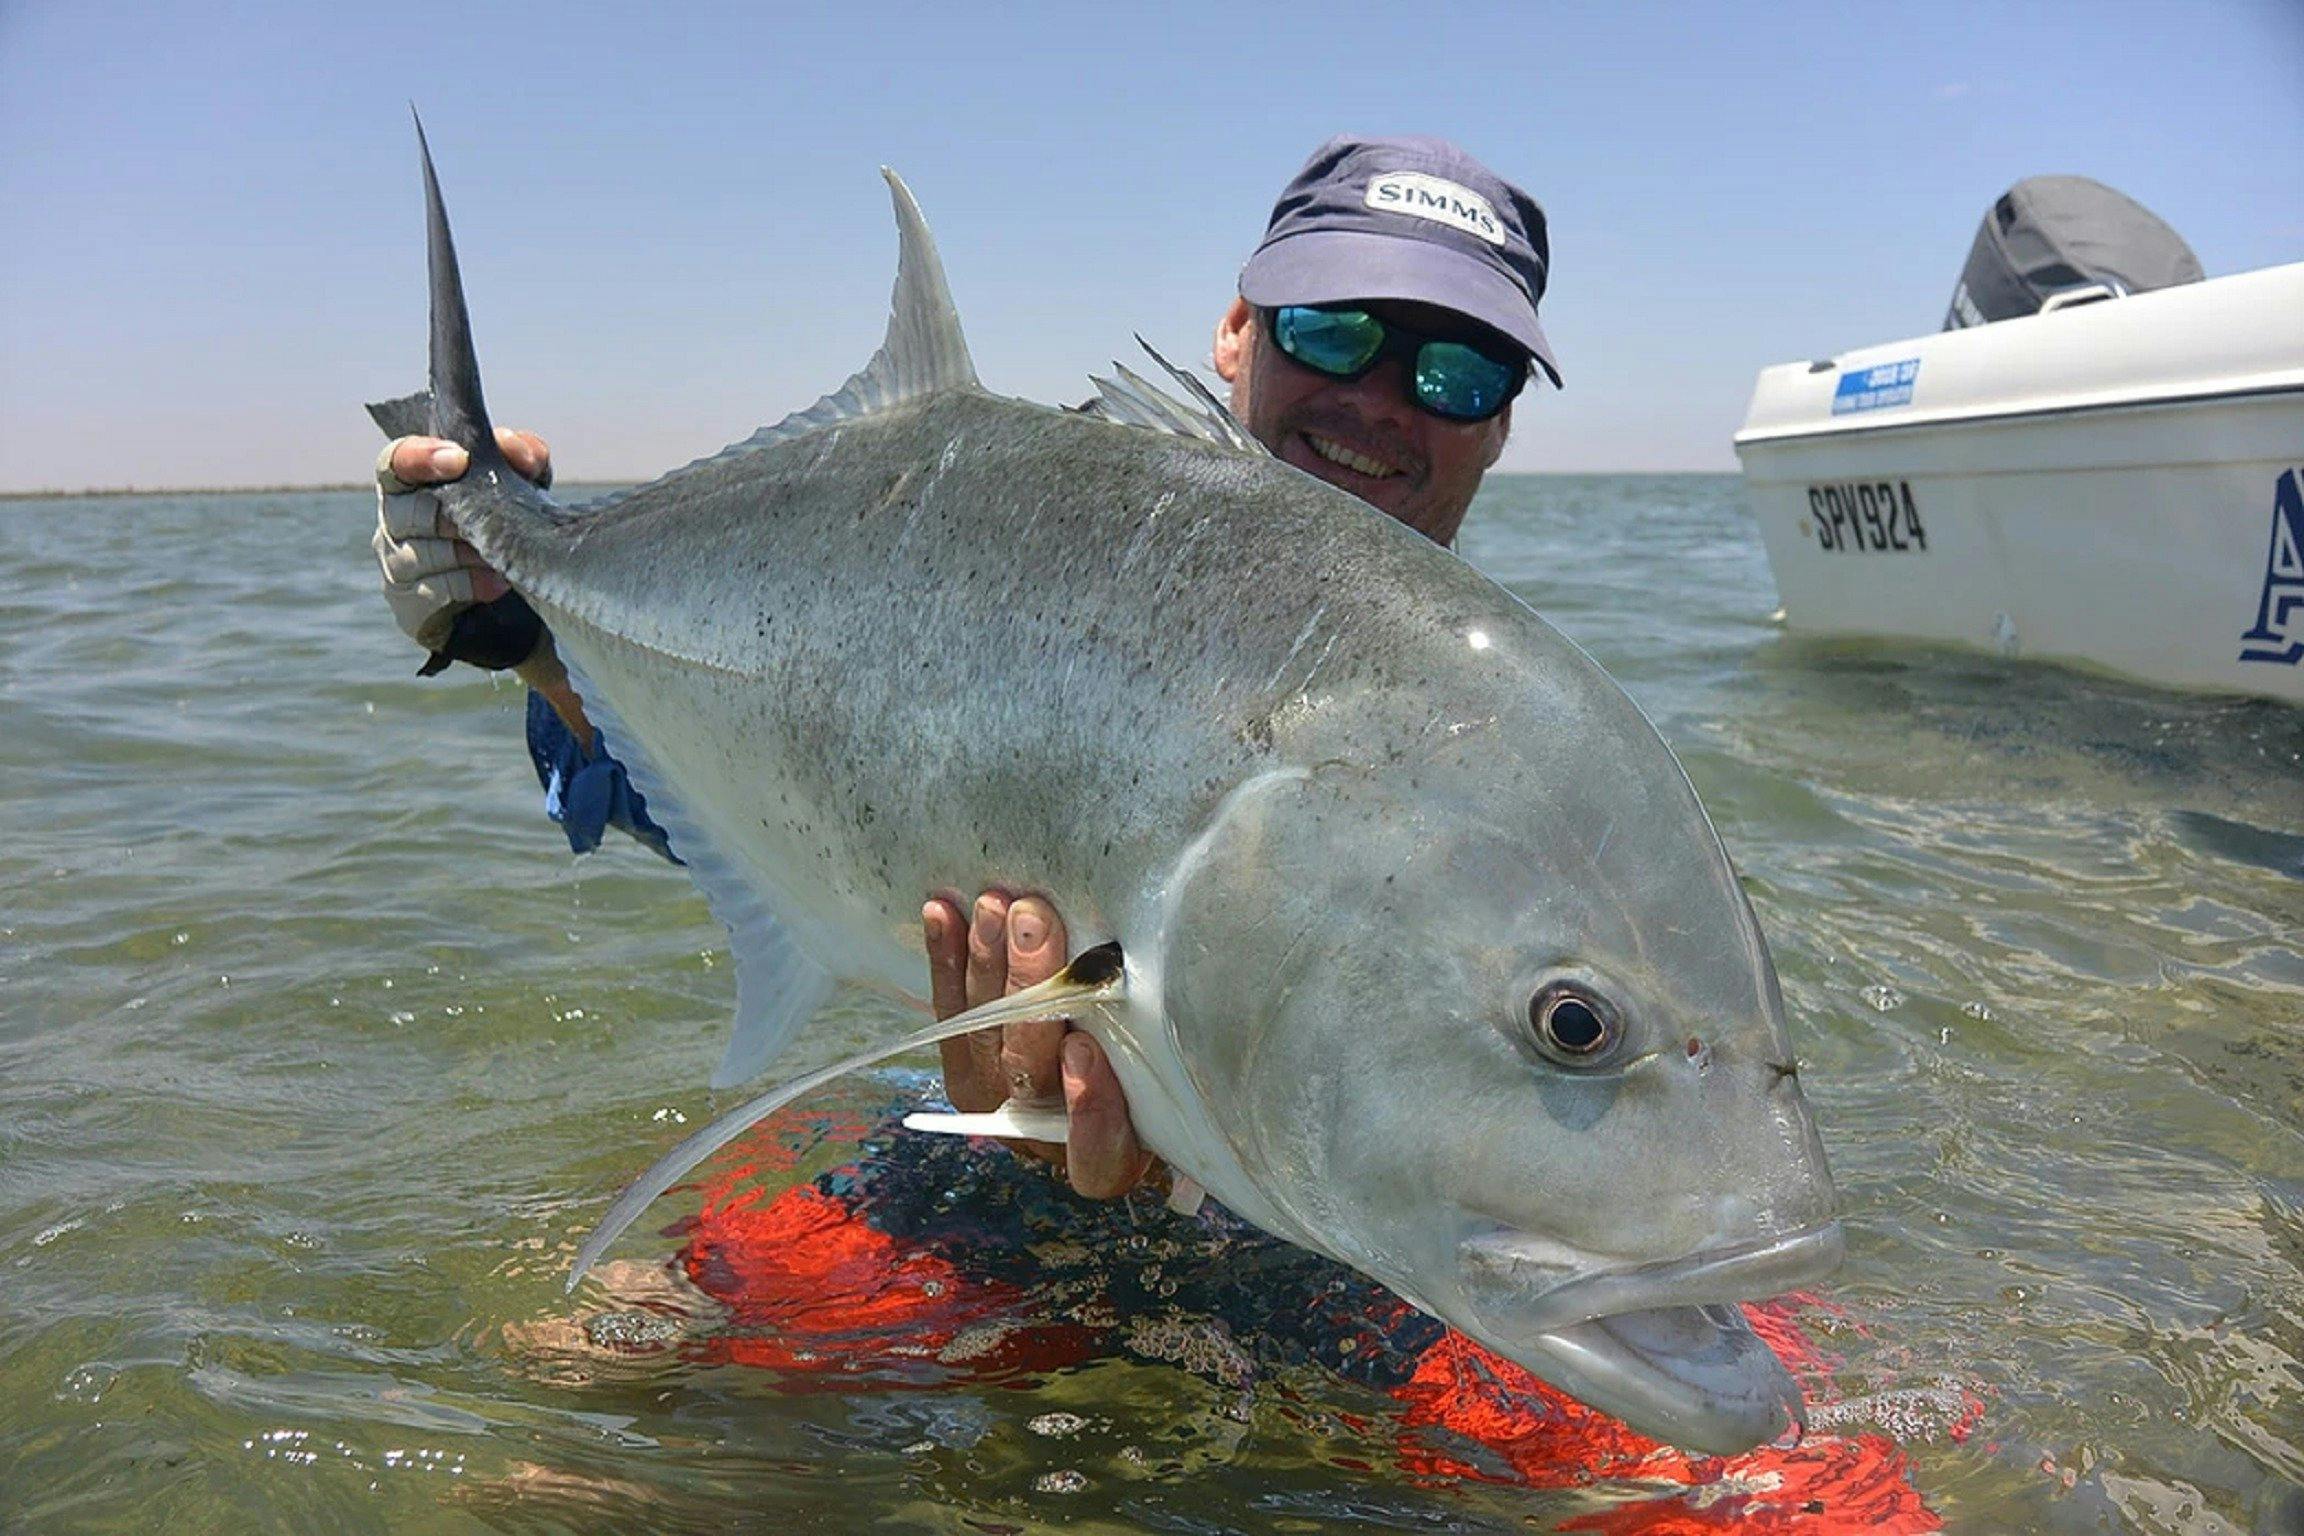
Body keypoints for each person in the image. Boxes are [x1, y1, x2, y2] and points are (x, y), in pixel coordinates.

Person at [372, 134, 1563, 1199]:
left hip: (1328, 1242)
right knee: (590, 1344)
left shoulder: (1535, 768)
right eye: (1332, 331)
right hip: (968, 1167)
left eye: (1459, 372)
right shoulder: (1010, 541)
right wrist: (527, 632)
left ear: (1502, 422)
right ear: (1237, 332)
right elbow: (797, 801)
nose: (1380, 401)